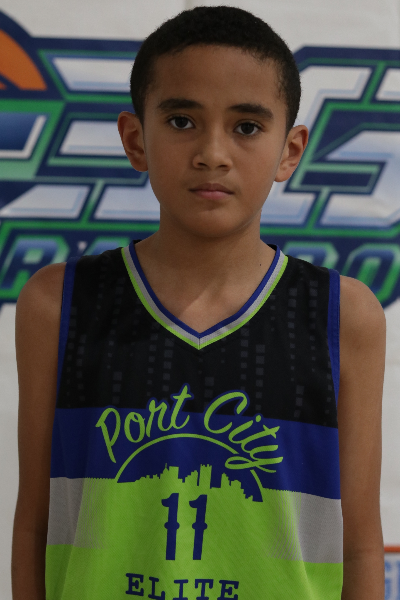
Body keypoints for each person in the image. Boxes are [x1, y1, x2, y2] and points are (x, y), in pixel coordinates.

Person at [12, 6, 385, 600]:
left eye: (247, 127)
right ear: (136, 139)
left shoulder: (343, 316)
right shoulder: (59, 304)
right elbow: (34, 523)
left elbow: (360, 542)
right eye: (182, 121)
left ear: (290, 151)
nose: (213, 152)